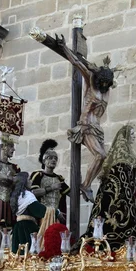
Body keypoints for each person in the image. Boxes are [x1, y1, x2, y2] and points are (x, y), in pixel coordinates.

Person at [57, 34, 114, 203]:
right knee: (100, 155)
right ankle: (85, 184)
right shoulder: (91, 83)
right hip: (86, 125)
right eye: (101, 83)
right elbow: (77, 63)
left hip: (97, 128)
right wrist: (64, 47)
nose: (103, 86)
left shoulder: (106, 90)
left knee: (103, 158)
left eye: (106, 84)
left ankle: (87, 184)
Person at [78, 124, 136, 251]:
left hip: (128, 200)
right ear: (124, 137)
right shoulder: (121, 159)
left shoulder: (129, 157)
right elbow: (122, 181)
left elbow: (133, 181)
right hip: (118, 202)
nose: (134, 137)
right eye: (131, 134)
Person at [10, 172, 63, 253]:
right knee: (31, 254)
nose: (31, 181)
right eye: (29, 179)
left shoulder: (17, 195)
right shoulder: (27, 195)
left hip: (17, 229)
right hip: (27, 228)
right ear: (24, 181)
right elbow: (39, 211)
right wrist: (57, 212)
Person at [30, 139, 70, 248]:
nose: (53, 160)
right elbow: (33, 192)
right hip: (42, 215)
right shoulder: (38, 175)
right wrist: (51, 188)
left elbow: (71, 193)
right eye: (50, 158)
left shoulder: (59, 178)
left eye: (55, 158)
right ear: (44, 160)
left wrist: (81, 184)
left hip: (57, 216)